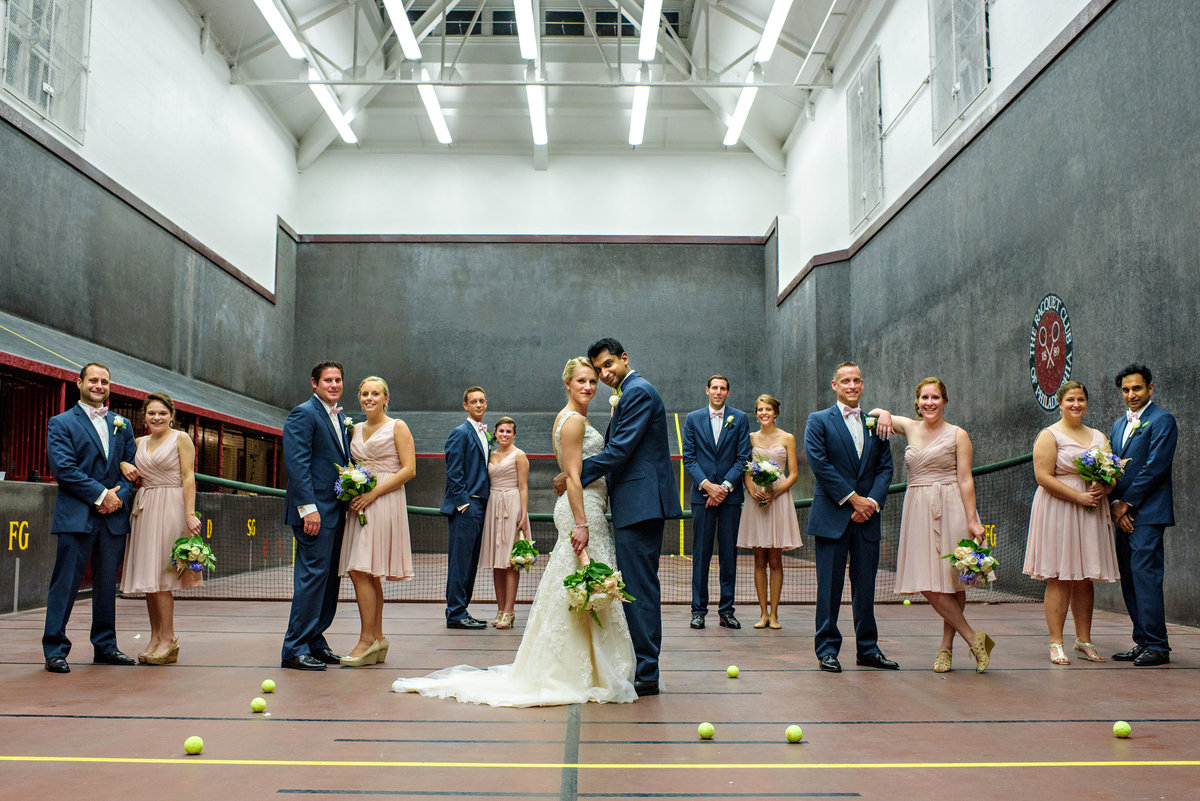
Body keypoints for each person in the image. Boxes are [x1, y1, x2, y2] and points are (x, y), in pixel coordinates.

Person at [392, 358, 636, 706]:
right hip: (581, 513)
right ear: (567, 383)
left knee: (574, 587)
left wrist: (567, 482)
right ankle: (576, 669)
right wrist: (580, 523)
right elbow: (576, 477)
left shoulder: (572, 419)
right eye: (581, 381)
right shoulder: (574, 422)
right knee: (585, 584)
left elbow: (571, 470)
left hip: (587, 507)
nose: (588, 387)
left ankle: (589, 665)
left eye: (593, 382)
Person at [557, 338, 683, 697]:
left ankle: (647, 671)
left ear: (625, 358)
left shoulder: (639, 392)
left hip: (642, 505)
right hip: (633, 504)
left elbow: (620, 450)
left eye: (609, 364)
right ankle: (641, 665)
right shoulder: (629, 392)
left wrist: (574, 474)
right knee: (636, 585)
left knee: (640, 588)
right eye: (598, 369)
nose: (604, 373)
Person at [870, 379, 995, 673]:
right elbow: (873, 413)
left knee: (953, 582)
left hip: (951, 505)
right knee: (927, 582)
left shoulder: (958, 434)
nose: (930, 402)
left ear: (945, 401)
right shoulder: (910, 428)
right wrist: (886, 414)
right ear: (917, 402)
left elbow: (965, 479)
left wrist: (973, 520)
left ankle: (945, 648)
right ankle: (974, 638)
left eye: (935, 397)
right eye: (924, 397)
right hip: (917, 508)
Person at [42, 362, 138, 673]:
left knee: (108, 584)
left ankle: (106, 646)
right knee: (66, 583)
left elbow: (131, 469)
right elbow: (64, 469)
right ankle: (55, 649)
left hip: (112, 518)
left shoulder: (122, 424)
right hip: (76, 516)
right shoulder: (60, 423)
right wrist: (101, 495)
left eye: (105, 381)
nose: (99, 385)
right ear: (80, 382)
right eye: (93, 380)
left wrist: (117, 498)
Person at [803, 361, 896, 673]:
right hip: (833, 518)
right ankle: (827, 649)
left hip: (867, 518)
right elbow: (820, 464)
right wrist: (853, 499)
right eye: (845, 381)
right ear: (834, 385)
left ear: (862, 384)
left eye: (857, 380)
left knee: (866, 588)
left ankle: (868, 649)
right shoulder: (818, 421)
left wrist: (870, 502)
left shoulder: (876, 422)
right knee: (829, 589)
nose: (852, 386)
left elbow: (885, 467)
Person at [1022, 380, 1120, 665]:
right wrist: (1078, 497)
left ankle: (1083, 640)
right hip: (1060, 509)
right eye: (1070, 400)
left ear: (1086, 402)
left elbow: (1112, 475)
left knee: (1085, 576)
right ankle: (1055, 643)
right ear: (1060, 404)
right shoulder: (1049, 435)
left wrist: (1106, 486)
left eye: (1080, 399)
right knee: (1060, 575)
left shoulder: (1099, 436)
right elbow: (1043, 477)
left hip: (1091, 508)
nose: (1076, 404)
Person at [337, 376, 416, 667]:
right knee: (366, 572)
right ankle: (378, 639)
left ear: (386, 399)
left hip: (384, 500)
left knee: (360, 570)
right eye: (364, 394)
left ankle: (366, 640)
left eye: (375, 394)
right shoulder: (354, 429)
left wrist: (372, 495)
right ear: (360, 398)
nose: (369, 398)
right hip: (359, 503)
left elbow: (409, 470)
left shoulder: (398, 426)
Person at [118, 393, 202, 666]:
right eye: (152, 413)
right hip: (144, 508)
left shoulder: (181, 439)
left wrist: (189, 514)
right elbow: (121, 462)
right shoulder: (138, 442)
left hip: (171, 507)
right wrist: (123, 463)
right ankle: (155, 637)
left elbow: (189, 477)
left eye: (162, 413)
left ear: (171, 416)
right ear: (144, 417)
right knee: (149, 579)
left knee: (164, 579)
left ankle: (169, 639)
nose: (157, 418)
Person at [281, 360, 353, 671]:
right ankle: (294, 648)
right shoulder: (303, 414)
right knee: (311, 580)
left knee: (329, 582)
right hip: (314, 514)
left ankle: (315, 640)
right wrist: (308, 508)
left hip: (336, 513)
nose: (334, 385)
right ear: (314, 383)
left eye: (338, 380)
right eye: (328, 381)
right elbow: (297, 464)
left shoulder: (339, 418)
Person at [1108, 365, 1176, 666]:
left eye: (1137, 388)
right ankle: (1143, 641)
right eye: (1126, 390)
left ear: (1150, 388)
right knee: (1130, 579)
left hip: (1148, 513)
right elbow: (1110, 468)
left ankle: (1158, 646)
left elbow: (1155, 467)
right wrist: (1115, 504)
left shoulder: (1162, 421)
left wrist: (1128, 504)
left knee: (1146, 577)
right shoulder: (1117, 425)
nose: (1131, 395)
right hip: (1122, 512)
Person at [682, 375, 752, 630]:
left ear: (728, 392)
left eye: (723, 388)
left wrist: (723, 488)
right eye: (714, 388)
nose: (718, 392)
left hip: (730, 498)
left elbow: (743, 458)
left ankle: (727, 610)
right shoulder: (693, 419)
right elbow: (688, 458)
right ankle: (698, 610)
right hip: (701, 497)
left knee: (728, 555)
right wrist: (708, 487)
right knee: (701, 555)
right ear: (707, 390)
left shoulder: (740, 419)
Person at [736, 394, 802, 630]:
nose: (764, 413)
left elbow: (793, 474)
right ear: (756, 413)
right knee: (758, 559)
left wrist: (773, 494)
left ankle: (774, 615)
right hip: (756, 502)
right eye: (760, 410)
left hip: (779, 499)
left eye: (768, 409)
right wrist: (752, 490)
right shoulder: (750, 438)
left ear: (775, 412)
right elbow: (745, 469)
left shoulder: (788, 438)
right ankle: (762, 614)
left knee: (775, 559)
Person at [440, 386, 492, 629]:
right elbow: (454, 471)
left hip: (481, 505)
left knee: (470, 562)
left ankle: (462, 611)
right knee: (460, 562)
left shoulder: (483, 433)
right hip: (466, 507)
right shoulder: (460, 433)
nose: (479, 405)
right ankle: (455, 613)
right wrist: (464, 505)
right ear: (465, 406)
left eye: (482, 401)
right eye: (474, 401)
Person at [481, 416, 531, 629]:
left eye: (508, 431)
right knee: (497, 563)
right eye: (501, 431)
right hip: (493, 506)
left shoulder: (520, 456)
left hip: (513, 506)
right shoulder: (489, 455)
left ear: (514, 434)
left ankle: (510, 611)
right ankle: (500, 609)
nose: (504, 435)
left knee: (512, 563)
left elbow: (523, 487)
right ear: (495, 432)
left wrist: (523, 514)